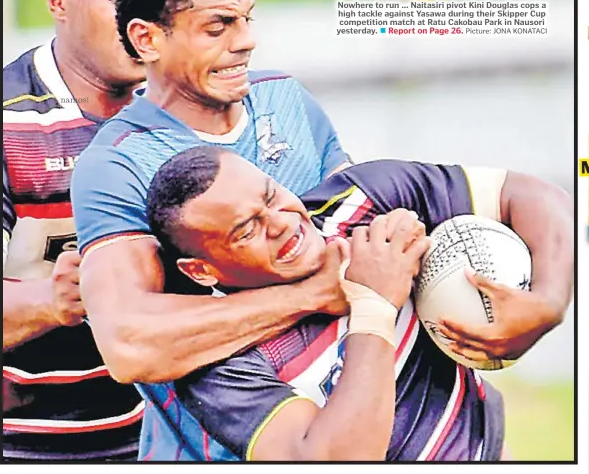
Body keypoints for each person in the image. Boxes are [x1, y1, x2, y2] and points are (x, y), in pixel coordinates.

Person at [138, 146, 573, 461]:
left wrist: (548, 302)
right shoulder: (216, 362)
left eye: (270, 197)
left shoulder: (362, 200)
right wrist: (374, 305)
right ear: (201, 271)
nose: (281, 223)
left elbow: (532, 197)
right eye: (245, 230)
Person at [71, 0, 350, 391]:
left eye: (246, 19)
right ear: (147, 38)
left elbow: (355, 228)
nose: (246, 42)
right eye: (218, 28)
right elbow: (128, 345)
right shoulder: (115, 165)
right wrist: (311, 296)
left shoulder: (284, 96)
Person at [2, 0, 146, 461]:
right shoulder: (6, 122)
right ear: (57, 1)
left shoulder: (185, 107)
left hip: (169, 439)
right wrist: (52, 300)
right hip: (25, 445)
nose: (139, 15)